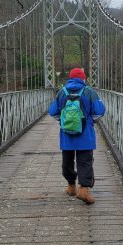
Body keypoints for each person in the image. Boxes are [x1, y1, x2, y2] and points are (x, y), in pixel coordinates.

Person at [49, 67, 105, 204]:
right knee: (85, 161)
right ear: (83, 79)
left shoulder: (62, 92)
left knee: (67, 161)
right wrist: (90, 121)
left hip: (67, 135)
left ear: (70, 78)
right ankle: (84, 190)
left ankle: (71, 186)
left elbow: (53, 112)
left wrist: (64, 122)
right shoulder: (89, 91)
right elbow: (98, 112)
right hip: (85, 135)